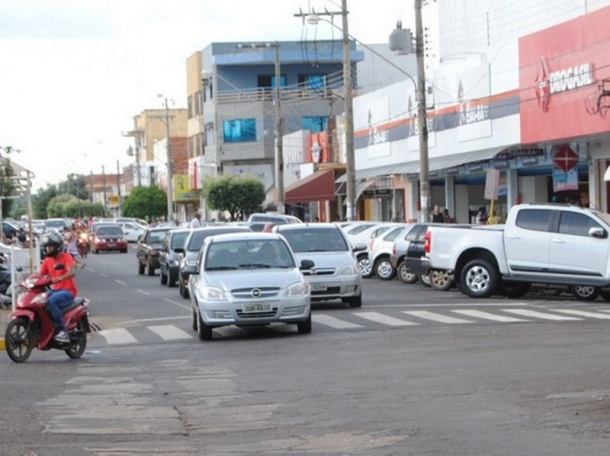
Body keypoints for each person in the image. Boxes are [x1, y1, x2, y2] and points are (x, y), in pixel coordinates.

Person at [39, 231, 79, 343]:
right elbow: (40, 275)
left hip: (68, 291)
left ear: (57, 247)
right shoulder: (47, 261)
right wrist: (27, 281)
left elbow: (72, 272)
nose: (48, 249)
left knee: (51, 301)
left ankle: (63, 332)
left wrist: (60, 278)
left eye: (50, 246)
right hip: (55, 290)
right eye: (47, 247)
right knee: (40, 301)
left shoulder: (66, 257)